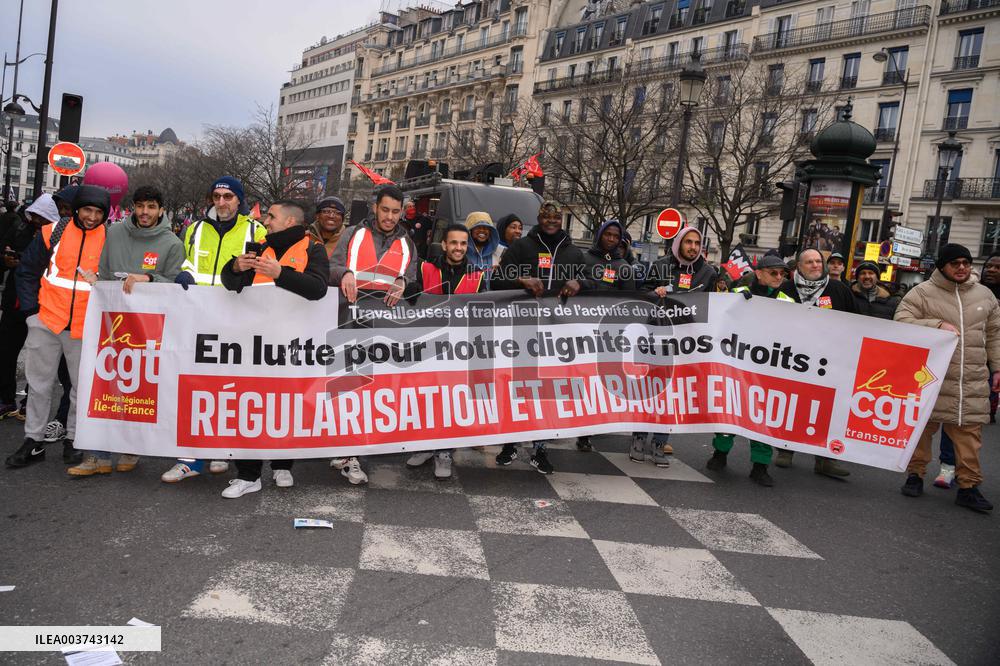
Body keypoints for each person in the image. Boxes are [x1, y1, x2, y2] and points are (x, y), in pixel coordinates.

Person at [65, 185, 185, 477]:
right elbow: (105, 271)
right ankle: (98, 456)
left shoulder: (172, 244)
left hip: (149, 328)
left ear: (161, 210)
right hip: (110, 323)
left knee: (140, 392)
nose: (145, 212)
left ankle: (132, 447)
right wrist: (98, 281)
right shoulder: (114, 232)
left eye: (152, 207)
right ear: (133, 208)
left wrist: (148, 277)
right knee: (103, 387)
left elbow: (178, 285)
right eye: (140, 206)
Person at [218, 200, 329, 498]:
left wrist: (281, 273)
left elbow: (318, 288)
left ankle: (283, 465)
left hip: (294, 344)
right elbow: (230, 284)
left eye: (272, 216)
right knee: (251, 404)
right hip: (254, 343)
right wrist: (234, 268)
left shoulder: (312, 249)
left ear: (291, 221)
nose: (266, 221)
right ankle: (248, 475)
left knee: (287, 405)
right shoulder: (257, 246)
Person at [160, 176, 266, 483]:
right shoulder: (194, 229)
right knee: (196, 388)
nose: (221, 202)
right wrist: (184, 275)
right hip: (199, 319)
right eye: (217, 196)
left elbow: (263, 274)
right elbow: (187, 263)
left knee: (231, 389)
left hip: (238, 322)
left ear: (239, 200)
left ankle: (222, 448)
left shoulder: (256, 230)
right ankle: (190, 459)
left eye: (228, 197)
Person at [4, 186, 109, 469]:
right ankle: (33, 441)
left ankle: (73, 439)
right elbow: (26, 271)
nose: (91, 217)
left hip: (83, 326)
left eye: (98, 212)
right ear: (77, 209)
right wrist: (31, 313)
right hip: (46, 321)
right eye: (87, 210)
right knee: (38, 385)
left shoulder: (109, 239)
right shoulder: (54, 231)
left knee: (80, 387)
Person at [896, 244, 999, 513]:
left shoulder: (985, 296)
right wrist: (937, 325)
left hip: (970, 380)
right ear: (943, 266)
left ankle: (969, 487)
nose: (962, 267)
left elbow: (995, 335)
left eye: (965, 262)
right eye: (955, 263)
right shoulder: (922, 293)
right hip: (930, 378)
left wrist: (998, 369)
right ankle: (915, 475)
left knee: (969, 437)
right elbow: (902, 320)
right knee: (921, 430)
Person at [329, 185, 419, 485]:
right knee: (347, 386)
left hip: (383, 327)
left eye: (396, 211)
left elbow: (414, 273)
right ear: (375, 207)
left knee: (368, 391)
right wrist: (345, 273)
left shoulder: (407, 241)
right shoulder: (353, 233)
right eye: (385, 210)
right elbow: (331, 266)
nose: (390, 217)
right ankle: (348, 453)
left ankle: (350, 452)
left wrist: (404, 281)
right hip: (348, 322)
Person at [491, 200, 586, 474]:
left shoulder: (574, 252)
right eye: (547, 217)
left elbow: (595, 281)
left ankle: (540, 449)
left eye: (557, 218)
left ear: (562, 219)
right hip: (521, 330)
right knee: (515, 389)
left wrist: (580, 282)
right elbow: (497, 281)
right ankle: (509, 443)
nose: (552, 221)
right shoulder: (521, 247)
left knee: (547, 393)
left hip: (558, 334)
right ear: (539, 218)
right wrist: (521, 279)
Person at [406, 223, 487, 479]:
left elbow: (486, 312)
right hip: (427, 346)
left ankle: (444, 452)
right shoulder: (425, 268)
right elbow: (410, 299)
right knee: (426, 398)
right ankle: (425, 446)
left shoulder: (479, 275)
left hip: (459, 351)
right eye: (454, 243)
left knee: (452, 400)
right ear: (444, 245)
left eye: (463, 243)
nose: (459, 248)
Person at [706, 255, 794, 487]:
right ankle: (720, 454)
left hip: (768, 369)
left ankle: (760, 466)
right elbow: (718, 318)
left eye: (782, 274)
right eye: (773, 273)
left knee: (762, 418)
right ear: (759, 273)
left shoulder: (787, 302)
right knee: (730, 411)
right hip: (738, 364)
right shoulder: (739, 293)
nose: (778, 277)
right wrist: (735, 303)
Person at [635, 225, 718, 465]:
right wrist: (654, 292)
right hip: (657, 337)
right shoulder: (661, 266)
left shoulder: (708, 273)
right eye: (688, 242)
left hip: (685, 343)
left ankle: (660, 442)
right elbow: (641, 295)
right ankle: (639, 437)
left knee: (673, 394)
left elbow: (717, 304)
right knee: (649, 391)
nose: (692, 247)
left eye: (696, 243)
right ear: (679, 243)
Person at [777, 248, 855, 478]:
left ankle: (825, 459)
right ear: (799, 266)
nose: (815, 266)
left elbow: (859, 322)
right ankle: (785, 449)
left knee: (827, 411)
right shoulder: (786, 289)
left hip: (831, 362)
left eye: (818, 262)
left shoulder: (839, 290)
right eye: (809, 262)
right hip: (794, 360)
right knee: (792, 406)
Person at [0, 196, 60, 423]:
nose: (36, 221)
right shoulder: (19, 229)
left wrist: (24, 260)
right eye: (34, 217)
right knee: (5, 352)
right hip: (15, 301)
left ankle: (29, 404)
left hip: (41, 304)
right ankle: (6, 399)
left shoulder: (57, 235)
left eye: (41, 218)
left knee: (39, 359)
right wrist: (7, 259)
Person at [307, 196, 347, 262]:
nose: (331, 216)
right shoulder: (304, 238)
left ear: (342, 219)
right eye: (326, 211)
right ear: (317, 216)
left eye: (337, 213)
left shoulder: (349, 242)